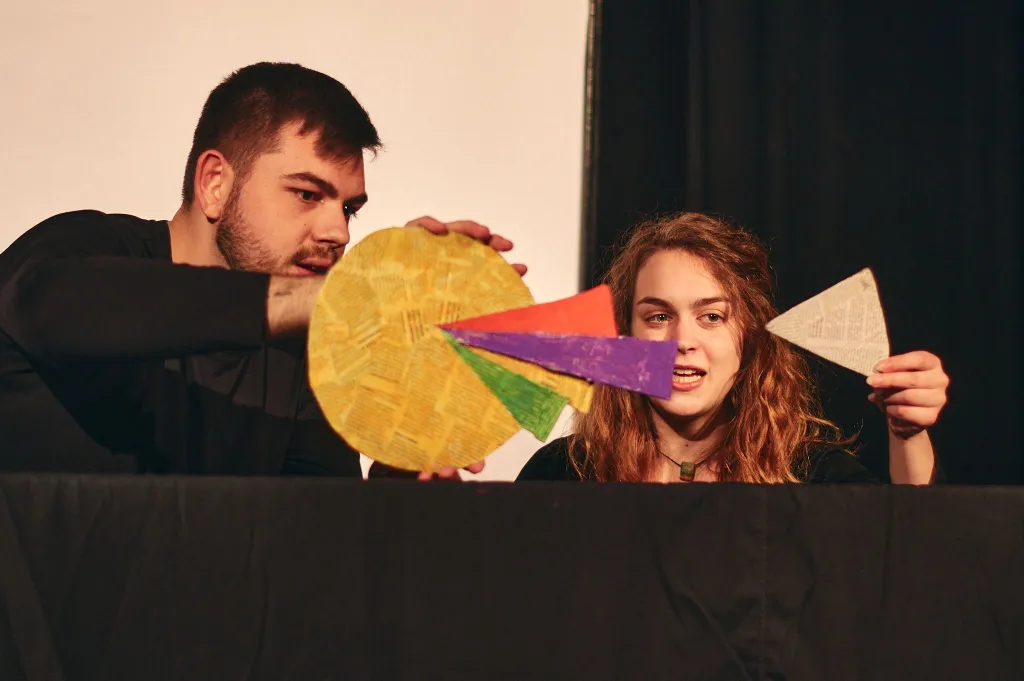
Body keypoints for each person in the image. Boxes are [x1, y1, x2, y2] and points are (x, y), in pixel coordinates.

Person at [0, 62, 520, 477]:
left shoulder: (305, 360)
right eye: (307, 194)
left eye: (348, 208)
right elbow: (57, 310)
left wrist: (399, 471)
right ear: (215, 183)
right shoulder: (85, 248)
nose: (338, 232)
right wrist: (348, 297)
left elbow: (308, 546)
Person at [518, 212, 948, 484]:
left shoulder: (811, 477)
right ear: (625, 336)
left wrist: (907, 434)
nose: (682, 341)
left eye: (711, 317)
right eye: (658, 317)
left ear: (749, 336)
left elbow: (914, 557)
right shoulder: (563, 474)